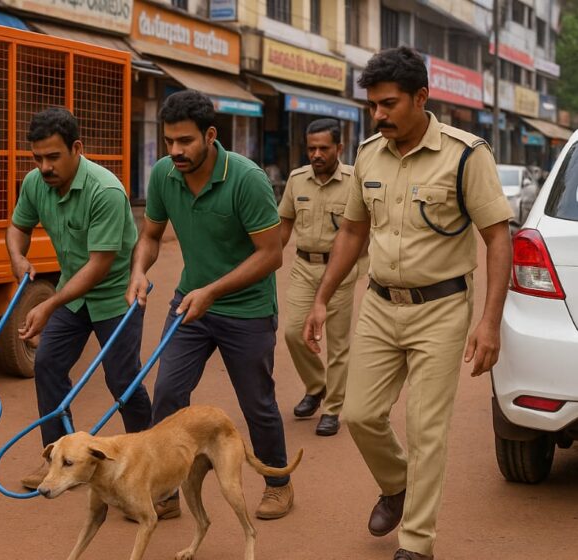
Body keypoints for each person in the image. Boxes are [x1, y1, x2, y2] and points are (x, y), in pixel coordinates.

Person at [303, 47, 512, 560]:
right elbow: (353, 231)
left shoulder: (466, 154)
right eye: (373, 105)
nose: (378, 114)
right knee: (358, 413)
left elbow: (498, 238)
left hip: (441, 308)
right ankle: (397, 486)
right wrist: (322, 297)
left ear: (421, 98)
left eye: (389, 104)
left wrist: (490, 322)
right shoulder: (370, 155)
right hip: (378, 304)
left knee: (425, 429)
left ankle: (416, 543)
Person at [128, 90, 292, 521]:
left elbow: (271, 254)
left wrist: (214, 291)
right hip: (190, 303)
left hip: (247, 309)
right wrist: (139, 271)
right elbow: (149, 235)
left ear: (211, 135)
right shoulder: (163, 175)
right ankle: (164, 492)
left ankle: (278, 483)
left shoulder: (246, 179)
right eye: (169, 142)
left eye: (185, 141)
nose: (176, 151)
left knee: (257, 403)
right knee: (166, 393)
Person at [7, 108, 151, 490]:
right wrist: (18, 257)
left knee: (123, 382)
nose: (44, 166)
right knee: (48, 366)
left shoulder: (105, 190)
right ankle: (55, 462)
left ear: (77, 148)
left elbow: (99, 266)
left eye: (53, 157)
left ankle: (148, 465)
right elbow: (17, 227)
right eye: (37, 158)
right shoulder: (35, 183)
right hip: (74, 296)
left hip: (114, 296)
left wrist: (48, 303)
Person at [279, 118, 362, 437]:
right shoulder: (296, 180)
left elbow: (365, 228)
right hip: (303, 266)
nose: (316, 154)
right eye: (311, 148)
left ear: (339, 148)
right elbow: (284, 224)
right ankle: (316, 386)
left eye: (323, 148)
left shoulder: (355, 180)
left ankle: (333, 408)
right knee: (293, 332)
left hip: (339, 270)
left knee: (338, 344)